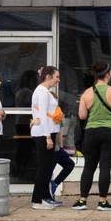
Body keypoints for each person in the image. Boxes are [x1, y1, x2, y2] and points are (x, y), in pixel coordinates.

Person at [73, 61, 111, 212]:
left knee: (89, 166)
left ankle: (82, 200)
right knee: (105, 167)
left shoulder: (87, 93)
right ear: (108, 74)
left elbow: (82, 115)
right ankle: (102, 201)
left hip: (92, 132)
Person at [30, 66, 62, 210]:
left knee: (48, 167)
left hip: (48, 131)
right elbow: (42, 114)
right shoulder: (42, 92)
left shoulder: (45, 92)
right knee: (44, 167)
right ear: (48, 76)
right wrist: (47, 136)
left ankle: (45, 196)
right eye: (56, 77)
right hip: (44, 133)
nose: (58, 80)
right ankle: (38, 200)